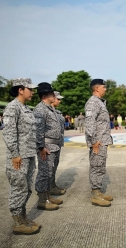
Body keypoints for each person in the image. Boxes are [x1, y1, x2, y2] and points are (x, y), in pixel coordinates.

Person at [2, 78, 40, 235]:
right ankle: (18, 222)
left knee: (26, 188)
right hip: (19, 157)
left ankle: (23, 218)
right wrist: (15, 154)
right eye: (30, 89)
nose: (32, 92)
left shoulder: (25, 108)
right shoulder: (12, 108)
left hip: (29, 154)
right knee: (18, 187)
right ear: (20, 90)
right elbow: (8, 132)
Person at [34, 82, 63, 211]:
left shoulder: (49, 109)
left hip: (53, 145)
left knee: (49, 172)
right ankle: (42, 200)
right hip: (46, 146)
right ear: (45, 95)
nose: (54, 95)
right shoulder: (40, 109)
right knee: (44, 173)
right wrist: (41, 147)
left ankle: (47, 196)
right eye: (52, 93)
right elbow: (38, 131)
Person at [85, 79, 113, 207]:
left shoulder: (99, 102)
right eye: (103, 87)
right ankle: (95, 195)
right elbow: (89, 123)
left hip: (102, 141)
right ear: (97, 88)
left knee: (100, 167)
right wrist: (93, 142)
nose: (105, 89)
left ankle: (98, 191)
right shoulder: (93, 103)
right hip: (98, 142)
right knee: (96, 167)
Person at [50, 91, 66, 195]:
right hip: (49, 145)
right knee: (49, 168)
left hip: (57, 143)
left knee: (54, 166)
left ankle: (52, 186)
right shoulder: (46, 111)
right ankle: (47, 189)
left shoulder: (57, 112)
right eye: (58, 99)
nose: (59, 101)